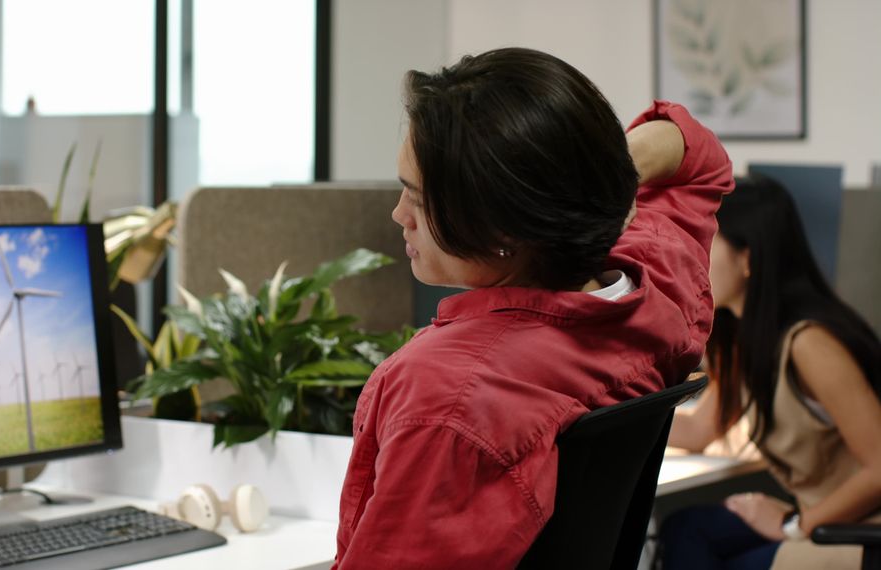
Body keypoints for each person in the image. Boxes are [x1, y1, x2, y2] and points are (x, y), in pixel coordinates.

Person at [331, 47, 733, 569]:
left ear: (501, 227)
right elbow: (697, 157)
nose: (397, 214)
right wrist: (594, 186)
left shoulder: (449, 395)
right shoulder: (661, 288)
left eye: (419, 198)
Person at [661, 175, 881, 569]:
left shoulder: (809, 344)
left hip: (860, 532)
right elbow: (697, 433)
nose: (694, 259)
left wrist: (795, 524)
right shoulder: (745, 339)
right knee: (684, 528)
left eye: (707, 244)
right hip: (826, 519)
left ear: (748, 258)